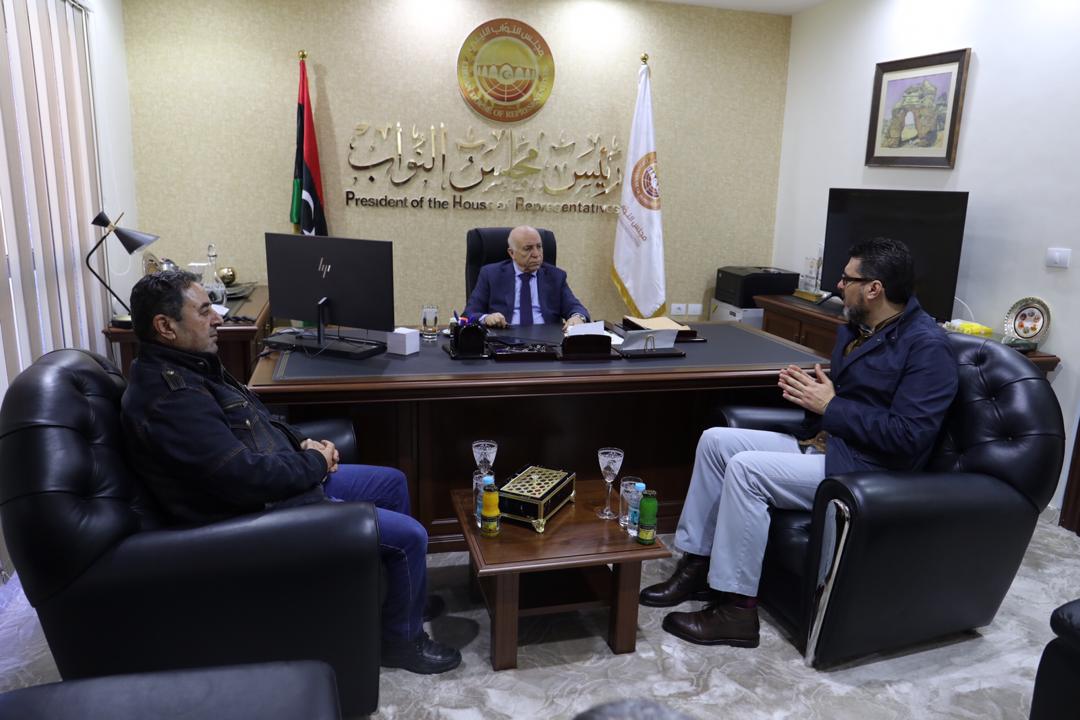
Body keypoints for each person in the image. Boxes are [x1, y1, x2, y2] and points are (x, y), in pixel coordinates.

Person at [120, 270, 460, 674]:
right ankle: (401, 643)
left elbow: (256, 421)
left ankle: (394, 606)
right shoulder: (171, 398)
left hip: (281, 483)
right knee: (409, 537)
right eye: (204, 310)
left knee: (391, 482)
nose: (217, 319)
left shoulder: (194, 366)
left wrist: (303, 442)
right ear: (165, 326)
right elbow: (242, 478)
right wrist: (315, 463)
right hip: (257, 516)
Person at [639, 237, 959, 647]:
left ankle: (737, 611)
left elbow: (909, 436)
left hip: (868, 468)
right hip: (831, 443)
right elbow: (847, 399)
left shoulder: (927, 347)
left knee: (747, 470)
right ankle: (698, 565)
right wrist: (813, 398)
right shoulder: (857, 329)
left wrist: (831, 406)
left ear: (874, 288)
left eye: (847, 279)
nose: (838, 286)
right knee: (716, 441)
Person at [464, 225, 589, 330]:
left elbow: (576, 307)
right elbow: (469, 313)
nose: (536, 254)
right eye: (528, 248)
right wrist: (486, 318)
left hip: (548, 341)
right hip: (505, 339)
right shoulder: (491, 274)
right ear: (512, 253)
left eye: (539, 247)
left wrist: (578, 317)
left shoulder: (555, 276)